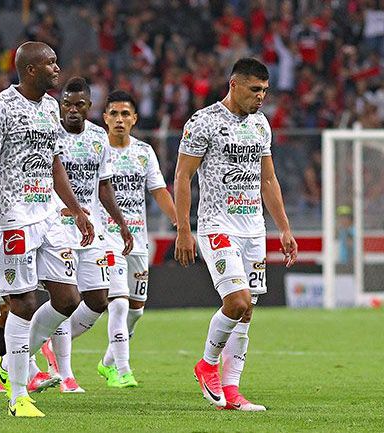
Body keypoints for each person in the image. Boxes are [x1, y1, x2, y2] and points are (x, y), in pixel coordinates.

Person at [0, 41, 94, 417]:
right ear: (30, 70)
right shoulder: (0, 108)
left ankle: (12, 361)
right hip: (14, 219)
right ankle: (18, 395)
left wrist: (76, 210)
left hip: (49, 217)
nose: (58, 69)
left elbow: (55, 163)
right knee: (23, 302)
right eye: (51, 63)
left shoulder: (49, 109)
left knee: (68, 299)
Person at [175, 58, 298, 411]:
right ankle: (206, 364)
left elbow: (268, 179)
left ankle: (232, 391)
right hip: (218, 225)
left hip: (253, 229)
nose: (261, 97)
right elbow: (183, 176)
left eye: (265, 91)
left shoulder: (260, 125)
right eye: (254, 90)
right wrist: (184, 228)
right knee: (237, 302)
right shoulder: (204, 122)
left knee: (247, 313)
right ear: (234, 85)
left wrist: (284, 227)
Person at [37, 77, 133, 393]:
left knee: (97, 298)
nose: (73, 110)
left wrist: (120, 222)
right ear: (60, 105)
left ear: (89, 106)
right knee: (65, 298)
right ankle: (64, 373)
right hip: (57, 227)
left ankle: (48, 341)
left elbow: (103, 185)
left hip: (92, 229)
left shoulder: (98, 138)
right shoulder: (49, 136)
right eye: (67, 104)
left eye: (79, 104)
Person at [95, 90, 177, 388]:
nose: (119, 119)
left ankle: (106, 363)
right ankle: (123, 369)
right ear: (105, 118)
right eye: (114, 114)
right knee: (118, 303)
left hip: (137, 240)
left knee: (137, 309)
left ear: (134, 119)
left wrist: (179, 222)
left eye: (125, 114)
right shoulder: (96, 149)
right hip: (106, 237)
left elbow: (158, 191)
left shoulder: (144, 152)